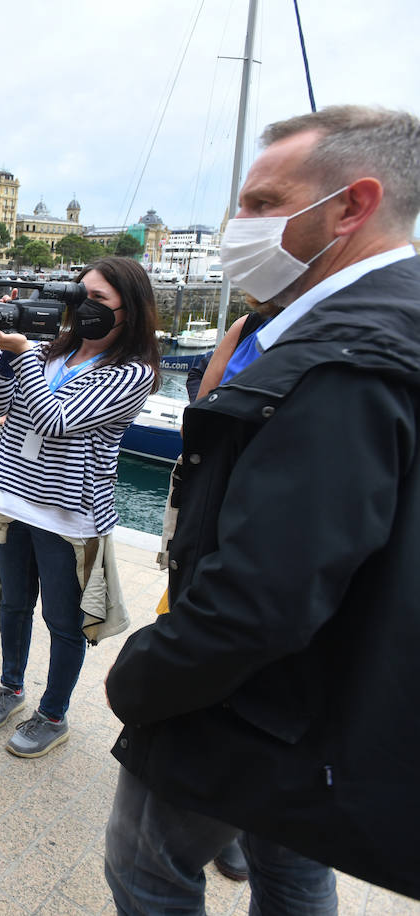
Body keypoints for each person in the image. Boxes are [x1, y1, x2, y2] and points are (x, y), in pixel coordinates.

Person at [103, 106, 420, 911]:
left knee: (146, 869)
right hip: (322, 700)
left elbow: (264, 597)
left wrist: (142, 675)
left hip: (250, 700)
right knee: (291, 860)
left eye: (262, 204)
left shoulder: (344, 361)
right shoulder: (367, 327)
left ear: (351, 206)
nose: (234, 229)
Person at [0, 256, 158, 758]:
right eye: (80, 296)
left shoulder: (132, 374)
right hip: (12, 500)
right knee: (11, 605)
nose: (84, 308)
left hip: (67, 516)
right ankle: (11, 687)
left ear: (129, 310)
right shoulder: (54, 352)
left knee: (63, 622)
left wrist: (25, 354)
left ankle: (53, 715)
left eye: (98, 300)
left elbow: (55, 420)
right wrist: (6, 356)